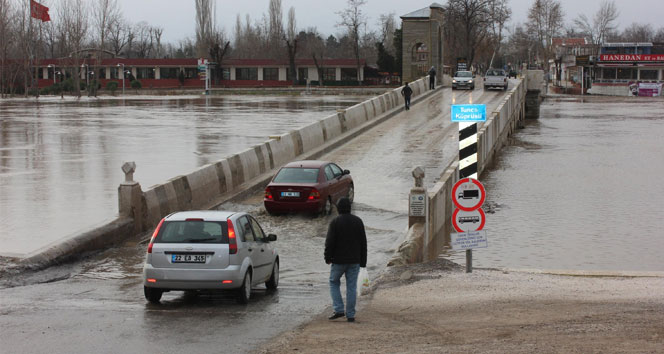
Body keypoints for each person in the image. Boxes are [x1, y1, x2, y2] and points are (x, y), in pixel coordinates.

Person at [324, 197, 367, 323]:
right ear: (350, 208)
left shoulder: (335, 222)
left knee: (333, 282)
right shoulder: (358, 221)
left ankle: (338, 310)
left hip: (338, 261)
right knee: (351, 287)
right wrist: (363, 262)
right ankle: (350, 315)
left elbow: (329, 242)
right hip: (354, 261)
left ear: (338, 209)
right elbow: (363, 243)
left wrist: (327, 257)